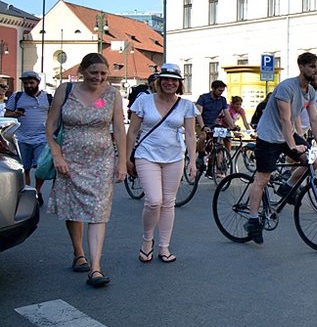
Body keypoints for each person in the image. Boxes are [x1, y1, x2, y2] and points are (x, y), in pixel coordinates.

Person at [46, 53, 127, 287]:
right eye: (94, 73)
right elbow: (50, 125)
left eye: (103, 73)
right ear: (82, 71)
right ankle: (78, 252)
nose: (99, 78)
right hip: (69, 158)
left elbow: (119, 129)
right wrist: (56, 154)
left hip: (101, 159)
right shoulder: (66, 90)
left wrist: (122, 162)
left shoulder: (112, 94)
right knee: (73, 206)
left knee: (98, 210)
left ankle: (96, 268)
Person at [243, 53, 317, 244]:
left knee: (315, 161)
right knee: (263, 178)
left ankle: (286, 188)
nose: (316, 70)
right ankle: (253, 219)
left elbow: (313, 118)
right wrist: (293, 145)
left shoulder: (310, 91)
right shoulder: (286, 87)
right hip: (269, 135)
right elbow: (285, 119)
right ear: (301, 67)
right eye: (312, 66)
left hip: (286, 135)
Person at [125, 64, 198, 263]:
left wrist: (192, 160)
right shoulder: (144, 101)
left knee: (168, 203)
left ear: (179, 83)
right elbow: (132, 132)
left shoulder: (186, 105)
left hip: (174, 157)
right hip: (146, 155)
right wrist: (125, 158)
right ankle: (147, 241)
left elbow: (191, 135)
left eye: (174, 80)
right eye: (166, 79)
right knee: (154, 200)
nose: (170, 83)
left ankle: (164, 246)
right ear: (159, 81)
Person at [5, 71, 53, 202]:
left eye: (31, 83)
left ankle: (37, 191)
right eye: (26, 83)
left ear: (38, 82)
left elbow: (53, 116)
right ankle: (28, 192)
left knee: (41, 167)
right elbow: (7, 114)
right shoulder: (17, 96)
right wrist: (15, 114)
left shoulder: (47, 98)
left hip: (41, 138)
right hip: (21, 138)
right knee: (25, 168)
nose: (28, 85)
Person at [195, 80, 236, 169]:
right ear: (213, 88)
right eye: (219, 91)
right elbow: (198, 113)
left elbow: (226, 114)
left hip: (212, 124)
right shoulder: (203, 98)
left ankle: (211, 167)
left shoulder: (222, 100)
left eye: (222, 91)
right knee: (203, 136)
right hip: (199, 123)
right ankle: (201, 155)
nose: (221, 93)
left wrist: (233, 126)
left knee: (218, 143)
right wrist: (203, 126)